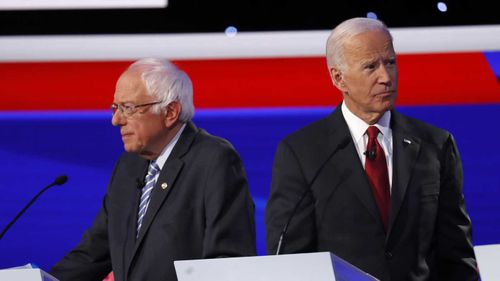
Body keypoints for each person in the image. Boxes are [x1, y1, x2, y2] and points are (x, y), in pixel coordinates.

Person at [265, 17, 478, 281]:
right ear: (339, 78)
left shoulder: (436, 145)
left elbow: (457, 254)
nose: (386, 77)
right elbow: (292, 259)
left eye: (390, 62)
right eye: (370, 67)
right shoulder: (302, 153)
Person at [51, 58, 257, 281]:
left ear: (170, 112)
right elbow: (92, 255)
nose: (116, 120)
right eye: (115, 108)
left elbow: (228, 260)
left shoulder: (213, 160)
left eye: (128, 108)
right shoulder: (128, 167)